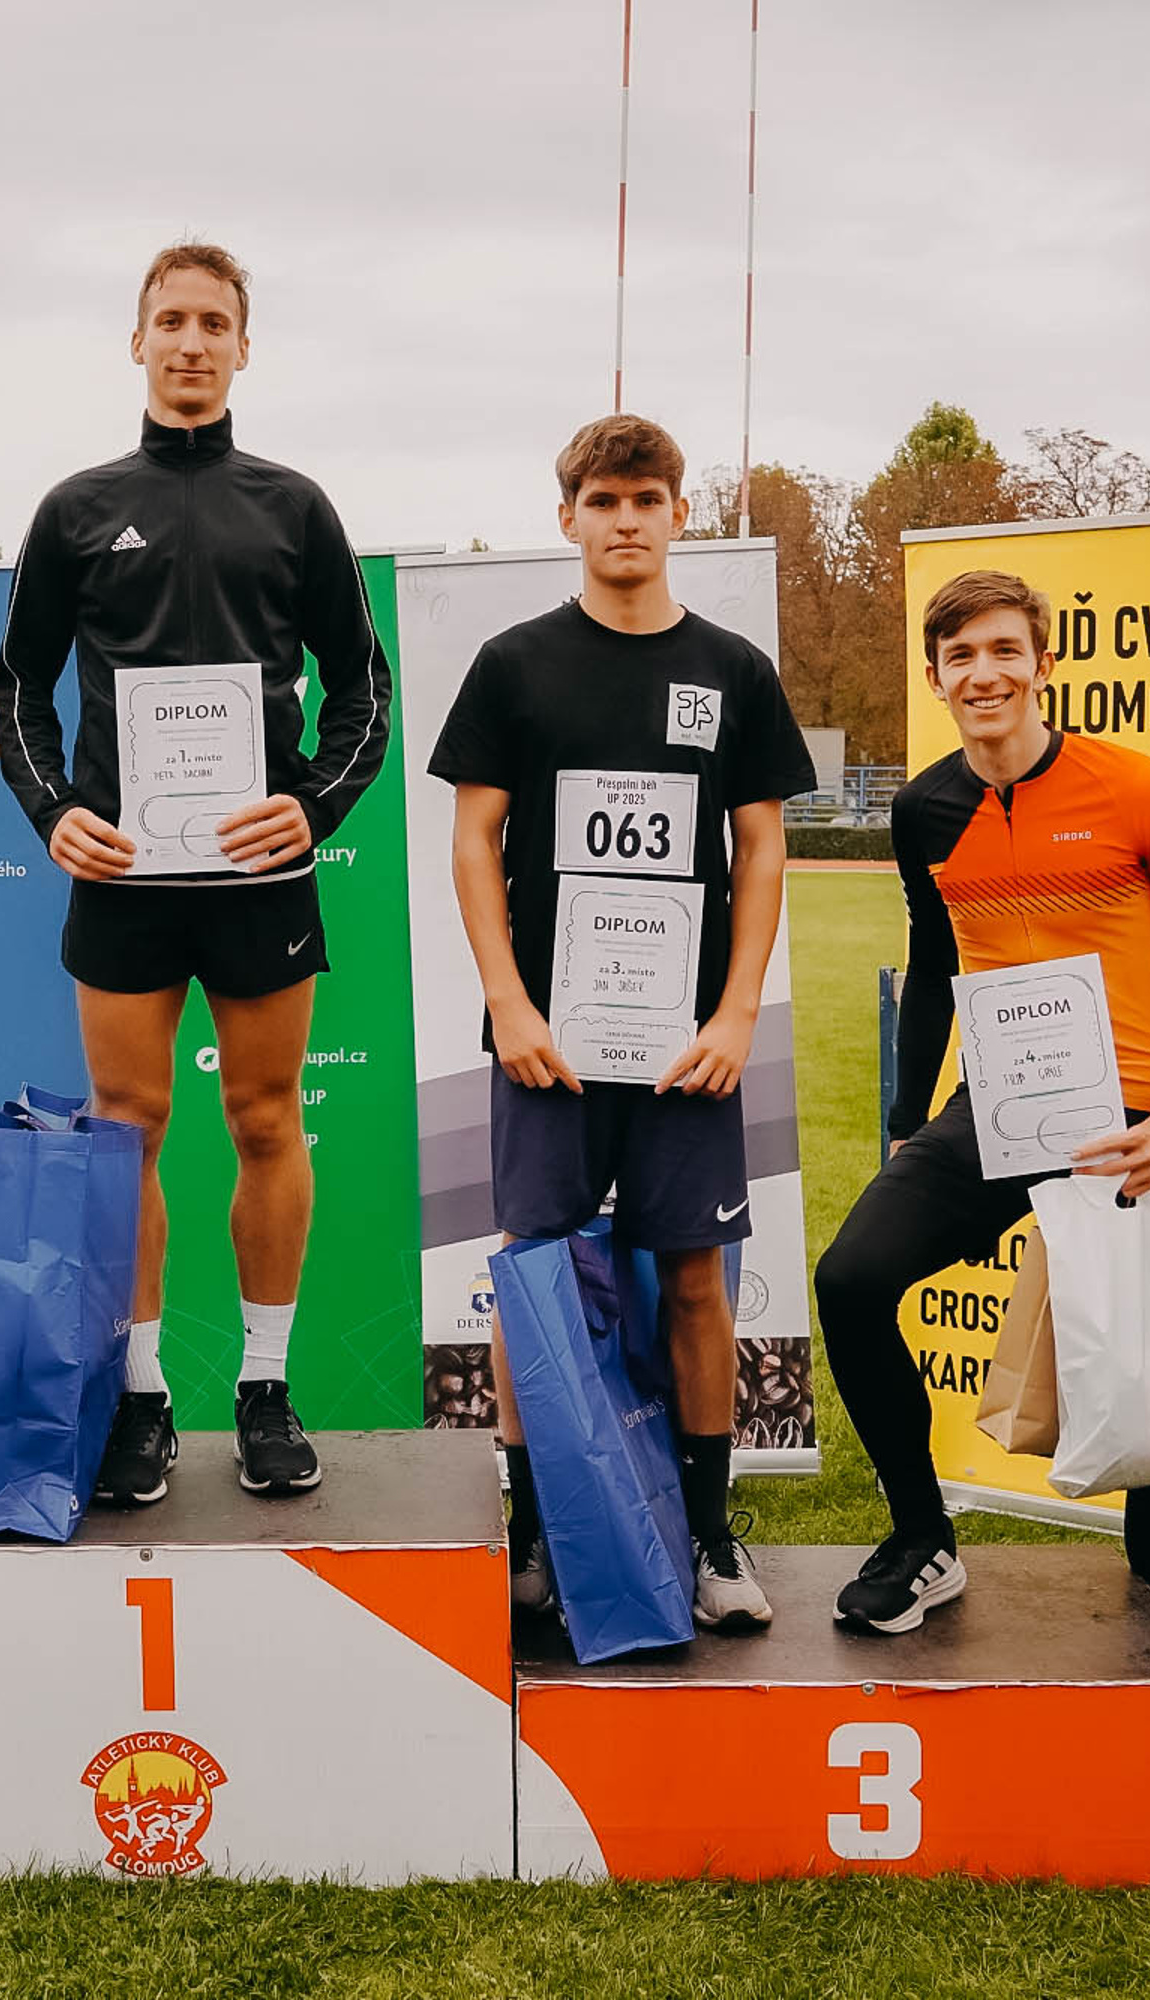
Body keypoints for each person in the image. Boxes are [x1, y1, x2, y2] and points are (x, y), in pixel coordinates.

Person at [0, 240, 391, 1504]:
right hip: (122, 875)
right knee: (127, 1131)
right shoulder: (74, 506)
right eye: (171, 319)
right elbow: (17, 689)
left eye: (215, 322)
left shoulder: (294, 505)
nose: (191, 341)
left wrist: (312, 807)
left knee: (267, 1120)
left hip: (256, 879)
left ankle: (265, 1387)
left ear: (243, 347)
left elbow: (363, 687)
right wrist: (55, 812)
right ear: (138, 341)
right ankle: (143, 1392)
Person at [814, 569, 1150, 1635]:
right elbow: (932, 968)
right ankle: (922, 1540)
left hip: (1136, 1122)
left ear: (1043, 664)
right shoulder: (924, 808)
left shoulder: (1137, 788)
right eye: (961, 656)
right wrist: (906, 1122)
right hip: (1002, 1106)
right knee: (852, 1279)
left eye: (1005, 650)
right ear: (936, 678)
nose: (985, 673)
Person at [429, 412, 813, 1631]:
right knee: (533, 1272)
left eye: (648, 498)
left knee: (694, 1279)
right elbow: (473, 839)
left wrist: (738, 1011)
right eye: (603, 500)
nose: (627, 519)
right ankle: (535, 1537)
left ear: (679, 514)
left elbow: (761, 848)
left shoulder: (732, 669)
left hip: (687, 1045)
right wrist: (507, 1000)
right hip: (546, 1038)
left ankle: (707, 1537)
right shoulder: (514, 662)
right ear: (569, 519)